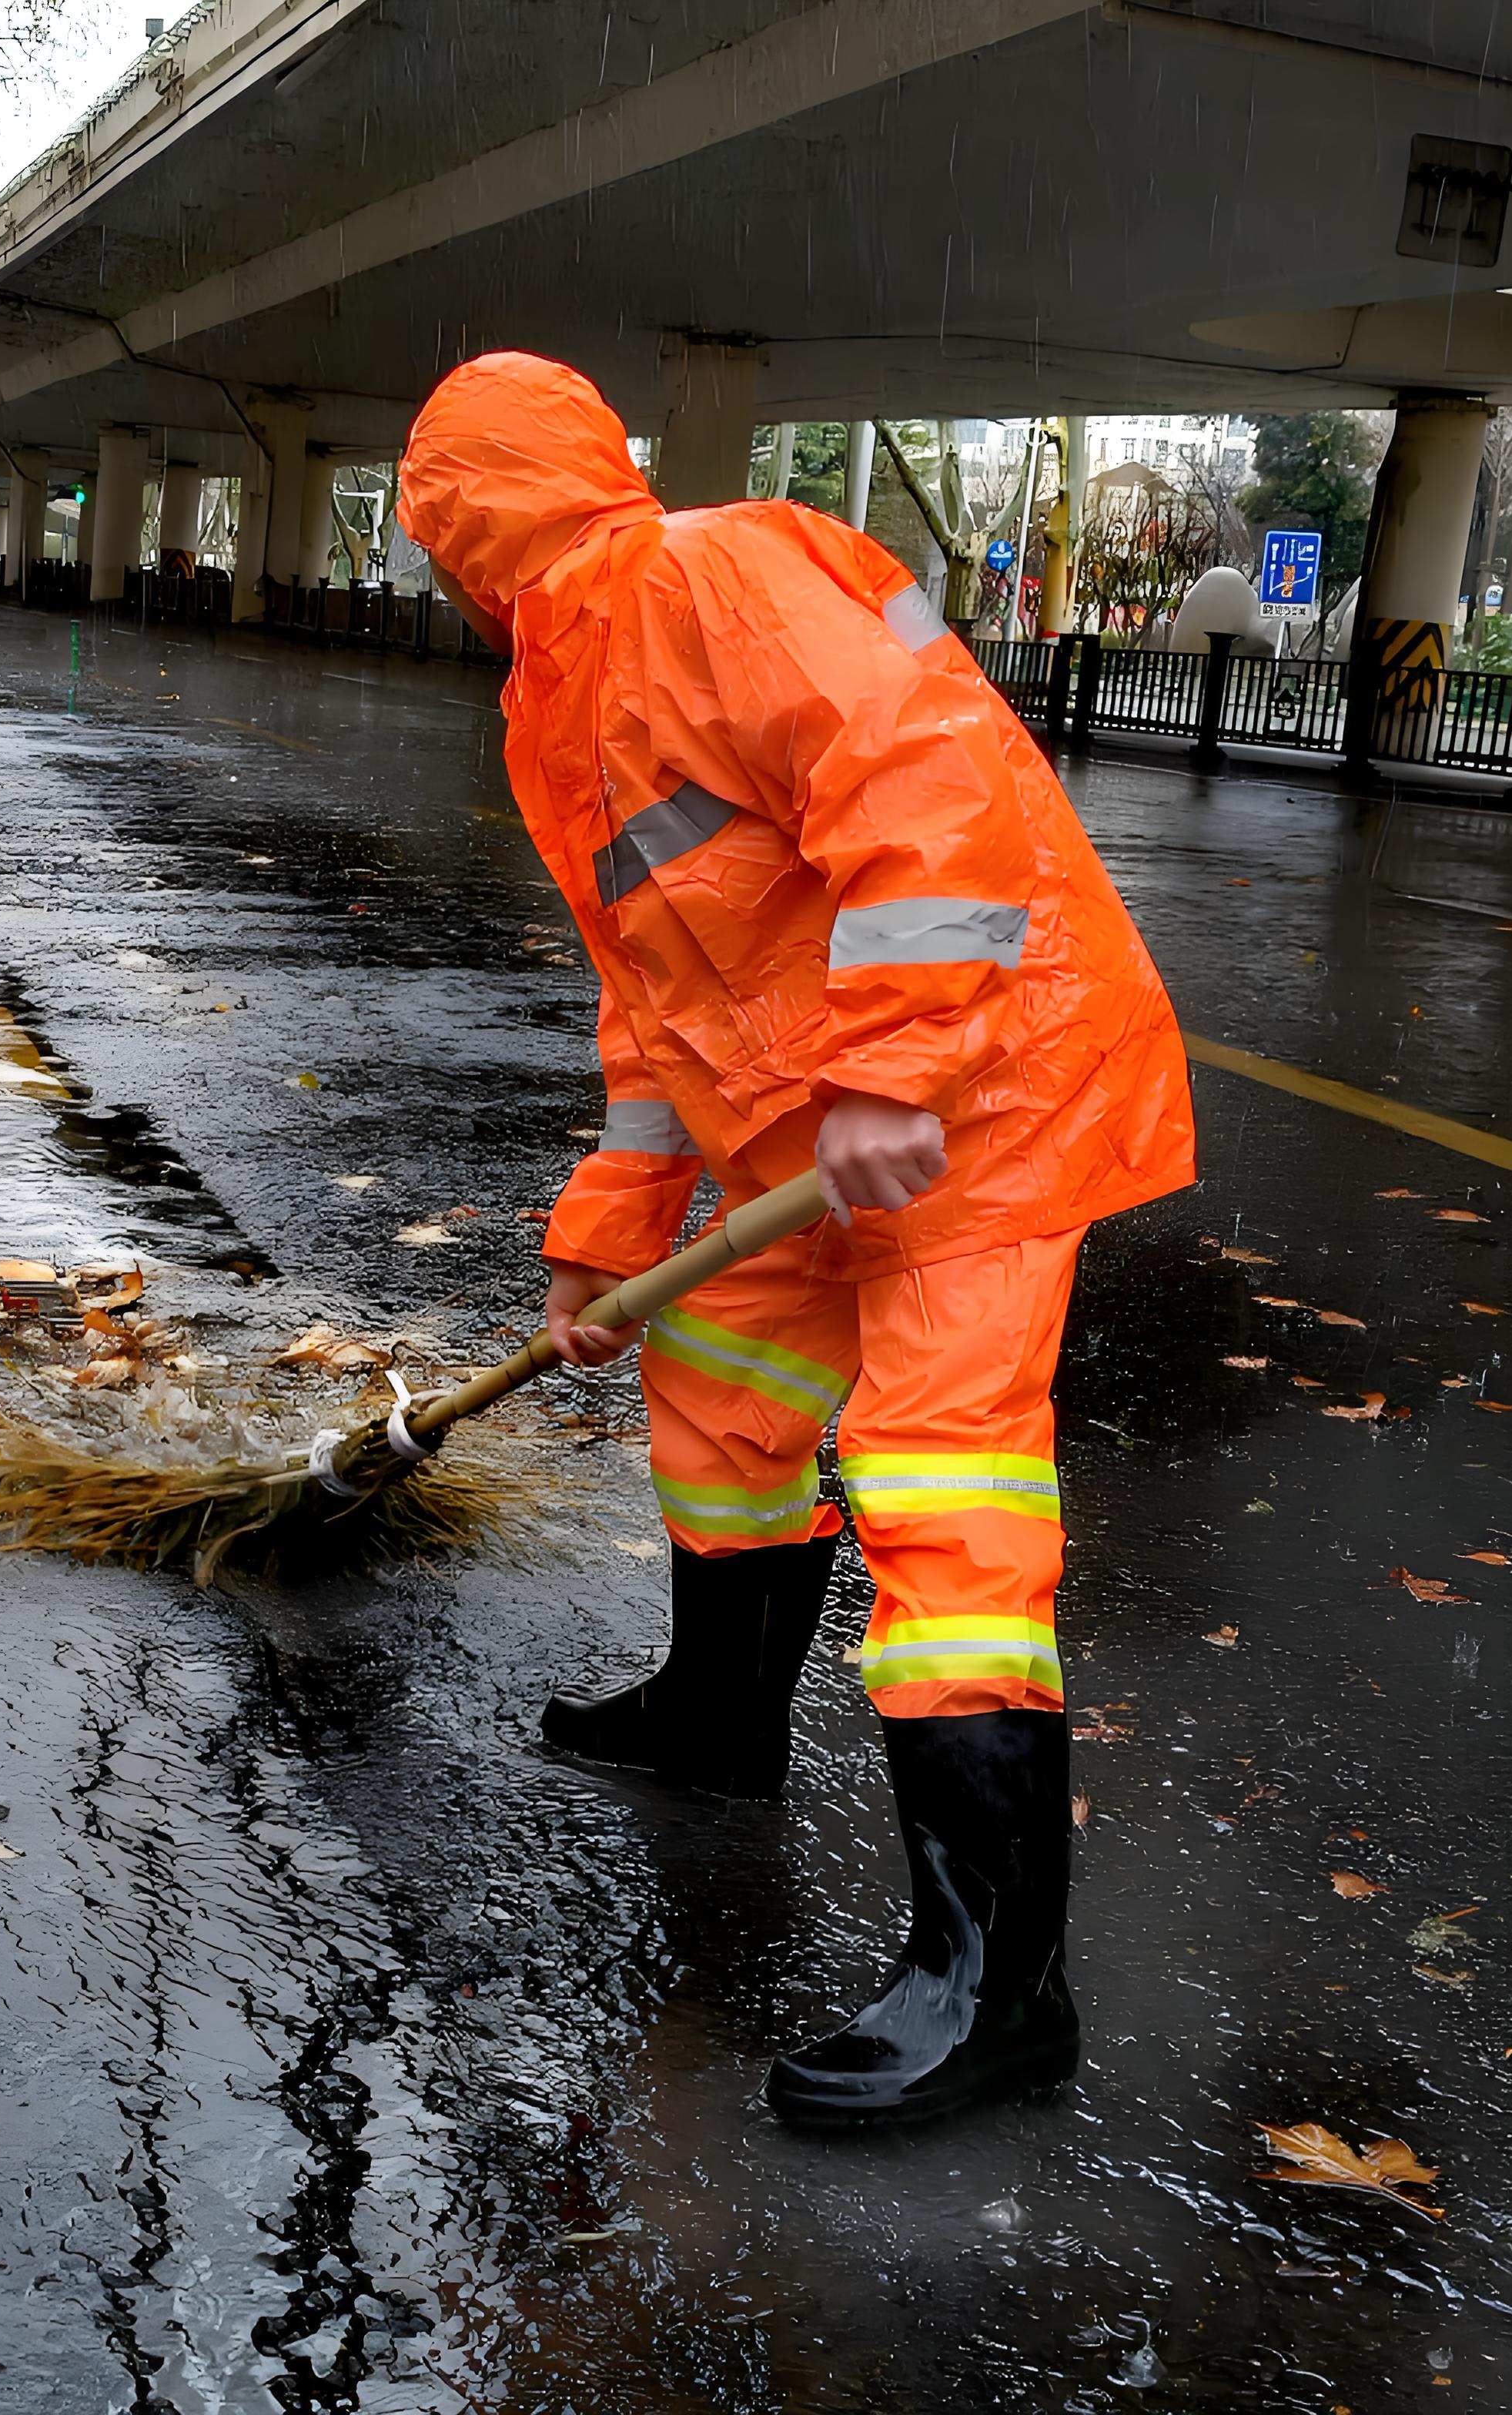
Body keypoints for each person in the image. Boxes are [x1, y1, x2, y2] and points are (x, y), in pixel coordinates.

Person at [394, 354, 1195, 2126]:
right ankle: (715, 1713)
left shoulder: (711, 572)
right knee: (723, 1371)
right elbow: (661, 1000)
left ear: (461, 522)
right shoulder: (561, 687)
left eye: (439, 532)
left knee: (941, 1482)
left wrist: (902, 1054)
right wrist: (609, 1236)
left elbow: (923, 780)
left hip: (978, 1094)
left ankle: (995, 1988)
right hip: (805, 1127)